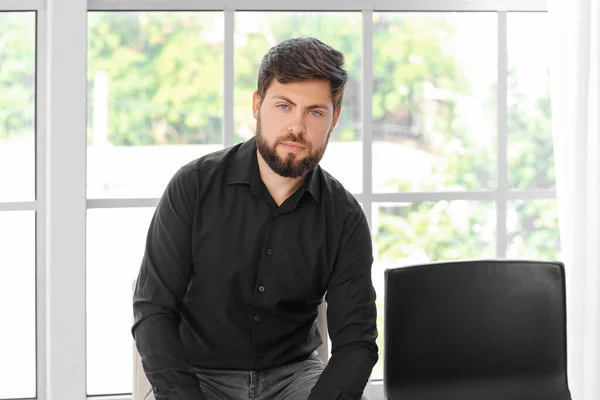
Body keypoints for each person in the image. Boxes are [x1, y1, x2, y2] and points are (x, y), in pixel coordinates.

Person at [132, 37, 378, 400]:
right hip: (199, 376)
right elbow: (153, 311)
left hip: (294, 376)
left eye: (314, 111)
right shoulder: (193, 186)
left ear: (334, 118)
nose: (297, 126)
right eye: (284, 105)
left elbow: (357, 342)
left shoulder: (344, 216)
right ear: (257, 105)